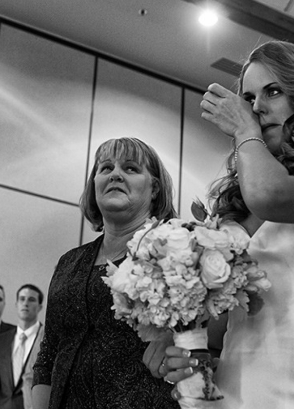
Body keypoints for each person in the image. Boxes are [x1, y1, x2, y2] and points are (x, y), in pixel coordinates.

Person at [151, 41, 294, 408]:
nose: (256, 108)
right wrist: (186, 350)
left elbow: (273, 196)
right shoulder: (234, 206)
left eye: (273, 91)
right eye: (249, 98)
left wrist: (244, 131)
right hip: (239, 394)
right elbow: (219, 334)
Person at [32, 137, 180, 409]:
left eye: (131, 168)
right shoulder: (69, 262)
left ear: (155, 188)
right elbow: (49, 353)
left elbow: (207, 333)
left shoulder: (176, 251)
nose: (115, 174)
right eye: (106, 168)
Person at [0, 284, 45, 409]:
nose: (25, 303)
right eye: (22, 299)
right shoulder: (2, 340)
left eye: (31, 300)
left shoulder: (46, 339)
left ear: (40, 307)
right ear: (16, 304)